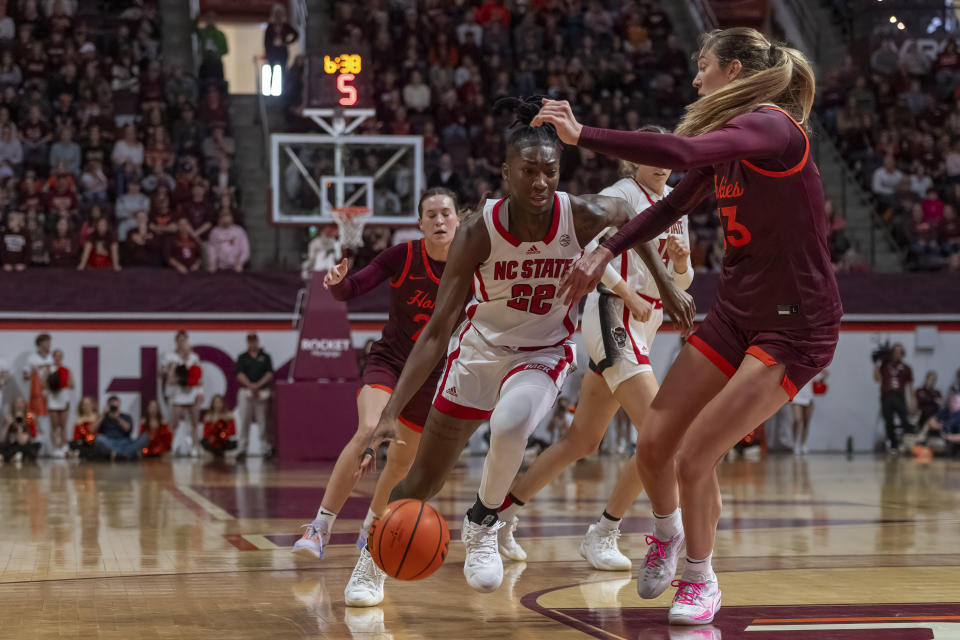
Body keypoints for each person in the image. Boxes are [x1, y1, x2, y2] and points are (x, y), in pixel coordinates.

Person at [532, 27, 840, 624]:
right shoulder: (732, 144)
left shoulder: (772, 126)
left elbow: (678, 155)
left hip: (795, 324)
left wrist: (582, 134)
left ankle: (700, 577)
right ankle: (667, 533)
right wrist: (604, 250)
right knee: (653, 445)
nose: (696, 80)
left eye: (703, 68)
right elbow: (670, 204)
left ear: (733, 68)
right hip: (738, 312)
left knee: (697, 455)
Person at [351, 97, 694, 607]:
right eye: (528, 171)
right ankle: (369, 563)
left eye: (550, 172)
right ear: (505, 173)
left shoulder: (577, 213)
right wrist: (391, 414)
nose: (540, 182)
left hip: (543, 351)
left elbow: (629, 218)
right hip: (479, 352)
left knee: (512, 424)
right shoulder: (476, 231)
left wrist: (666, 284)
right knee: (422, 477)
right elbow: (437, 329)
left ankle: (482, 521)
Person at [495, 125, 695, 573]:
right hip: (612, 315)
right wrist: (627, 294)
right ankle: (605, 531)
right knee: (663, 435)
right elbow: (586, 251)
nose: (661, 162)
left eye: (667, 154)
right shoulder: (620, 193)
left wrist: (682, 263)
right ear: (633, 160)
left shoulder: (678, 204)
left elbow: (681, 285)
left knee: (581, 441)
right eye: (652, 154)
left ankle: (500, 516)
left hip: (646, 325)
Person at [291, 188, 463, 577]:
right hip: (390, 361)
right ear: (419, 223)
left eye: (445, 214)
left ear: (458, 220)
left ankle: (372, 528)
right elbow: (351, 288)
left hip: (432, 376)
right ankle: (320, 528)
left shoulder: (471, 266)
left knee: (401, 462)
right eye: (430, 215)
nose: (439, 221)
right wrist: (336, 283)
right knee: (369, 429)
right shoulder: (403, 256)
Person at [161, 331, 203, 456]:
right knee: (174, 421)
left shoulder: (194, 358)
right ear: (176, 341)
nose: (182, 343)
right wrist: (171, 369)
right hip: (177, 393)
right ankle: (173, 446)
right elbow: (167, 377)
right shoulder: (170, 357)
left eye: (184, 340)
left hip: (191, 391)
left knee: (194, 421)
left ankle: (195, 447)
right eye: (180, 340)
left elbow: (199, 377)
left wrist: (200, 393)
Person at [234, 333, 274, 462]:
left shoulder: (265, 357)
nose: (252, 343)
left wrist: (258, 385)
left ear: (257, 341)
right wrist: (251, 386)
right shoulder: (242, 357)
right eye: (250, 341)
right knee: (244, 420)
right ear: (247, 342)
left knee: (263, 421)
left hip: (261, 393)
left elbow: (269, 373)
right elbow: (239, 374)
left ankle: (265, 449)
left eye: (254, 341)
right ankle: (242, 449)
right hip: (246, 392)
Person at [874, 343, 915, 452]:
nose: (897, 353)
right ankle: (894, 445)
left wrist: (912, 401)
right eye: (895, 351)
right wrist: (876, 364)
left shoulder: (906, 368)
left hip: (899, 396)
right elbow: (877, 378)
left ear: (902, 353)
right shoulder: (885, 365)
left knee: (905, 420)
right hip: (886, 396)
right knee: (889, 421)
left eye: (899, 351)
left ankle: (908, 442)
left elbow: (910, 386)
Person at [94, 396, 148, 461]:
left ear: (119, 406)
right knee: (99, 438)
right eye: (112, 407)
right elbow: (92, 429)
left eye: (116, 407)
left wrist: (117, 417)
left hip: (125, 443)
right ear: (108, 406)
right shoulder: (103, 417)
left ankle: (118, 455)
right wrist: (103, 414)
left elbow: (127, 428)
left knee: (145, 436)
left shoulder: (125, 416)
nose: (114, 409)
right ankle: (128, 454)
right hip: (110, 443)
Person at [45, 349, 74, 456]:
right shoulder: (49, 369)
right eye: (56, 356)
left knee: (63, 424)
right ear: (53, 357)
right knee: (54, 424)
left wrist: (62, 383)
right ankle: (55, 447)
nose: (58, 358)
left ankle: (64, 446)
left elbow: (72, 384)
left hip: (63, 398)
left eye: (60, 356)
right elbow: (44, 384)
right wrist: (52, 383)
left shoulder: (66, 370)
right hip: (53, 399)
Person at [790, 371, 826, 456]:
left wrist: (824, 374)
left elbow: (822, 378)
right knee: (797, 419)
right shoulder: (795, 369)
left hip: (808, 398)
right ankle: (795, 444)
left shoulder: (811, 369)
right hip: (797, 398)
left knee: (806, 422)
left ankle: (803, 444)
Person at [1, 396, 40, 463]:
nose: (19, 405)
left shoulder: (29, 417)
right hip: (11, 444)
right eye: (17, 403)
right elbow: (2, 439)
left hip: (25, 444)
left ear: (25, 405)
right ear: (13, 405)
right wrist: (7, 426)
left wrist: (21, 425)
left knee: (27, 447)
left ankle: (17, 455)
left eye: (21, 403)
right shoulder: (9, 417)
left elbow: (28, 438)